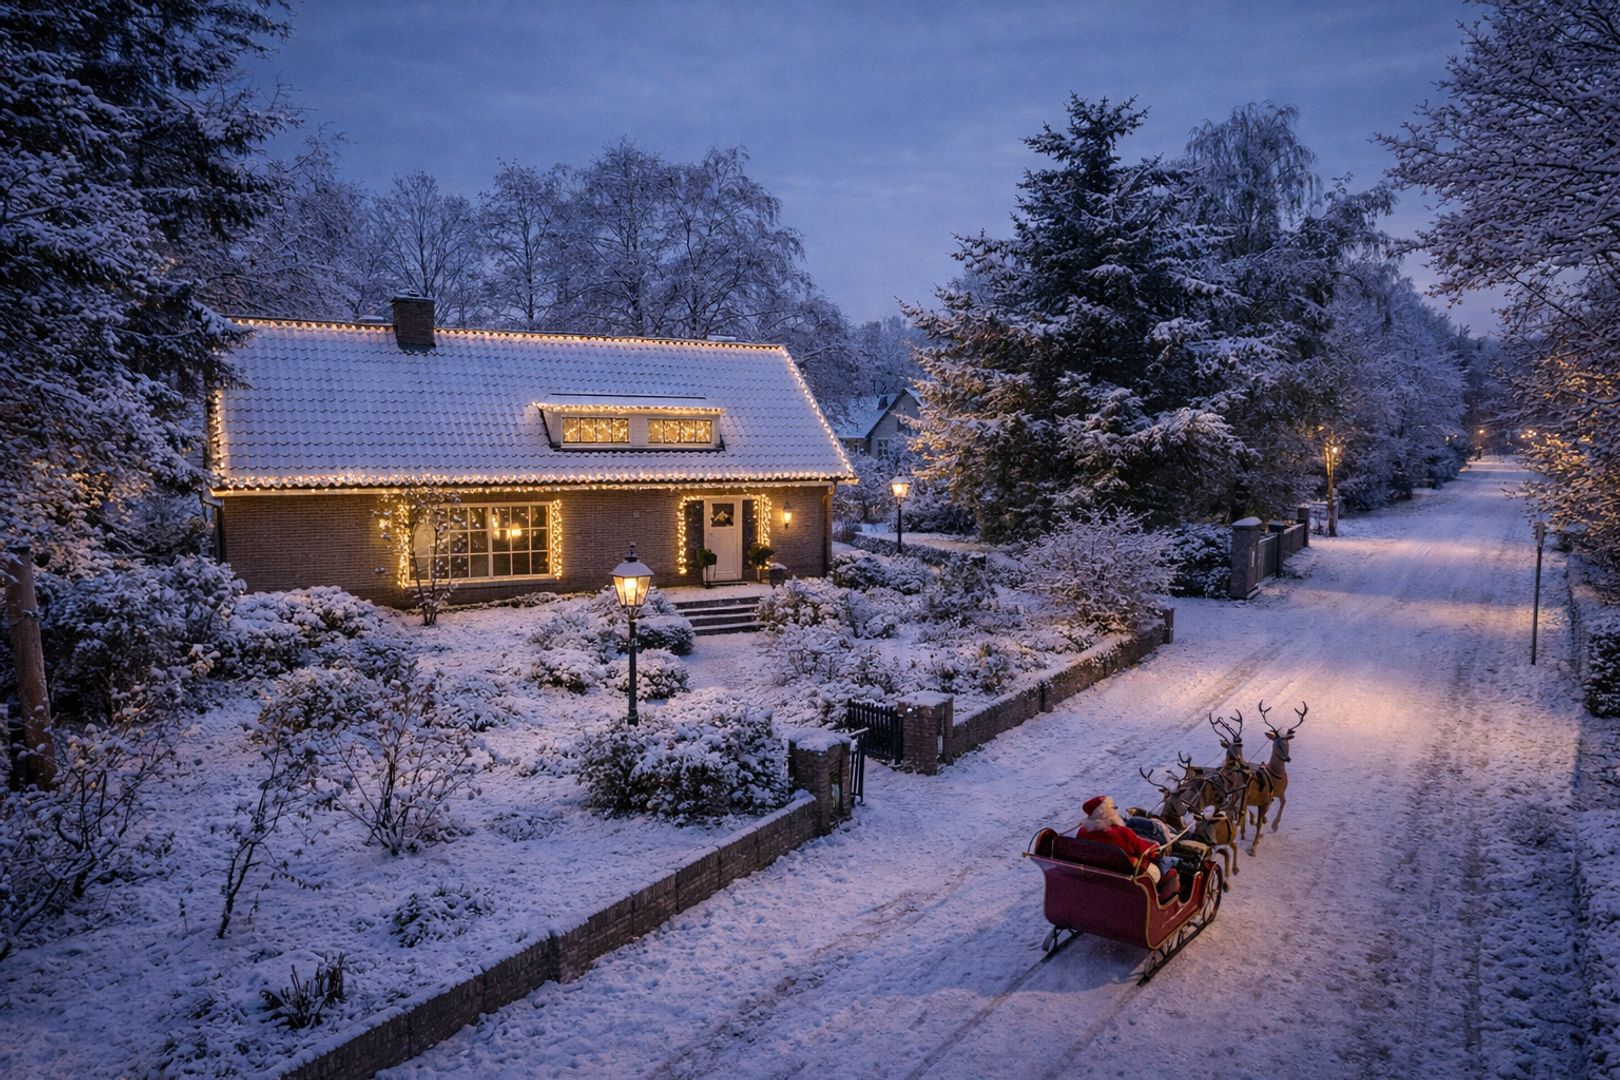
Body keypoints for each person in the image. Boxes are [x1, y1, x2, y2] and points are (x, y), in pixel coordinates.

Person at [1078, 795, 1180, 901]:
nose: (1116, 811)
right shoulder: (1121, 832)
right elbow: (1147, 850)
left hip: (1096, 874)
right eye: (1113, 808)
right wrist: (1156, 845)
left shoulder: (1082, 832)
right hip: (1129, 874)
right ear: (1107, 813)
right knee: (1167, 863)